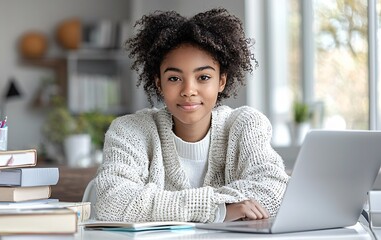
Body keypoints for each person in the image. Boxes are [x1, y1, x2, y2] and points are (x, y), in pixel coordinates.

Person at [92, 7, 289, 223]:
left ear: (221, 81)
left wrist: (158, 205)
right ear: (159, 84)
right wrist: (218, 210)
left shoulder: (246, 125)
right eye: (174, 78)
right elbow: (111, 203)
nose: (188, 90)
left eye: (203, 77)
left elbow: (274, 190)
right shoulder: (129, 131)